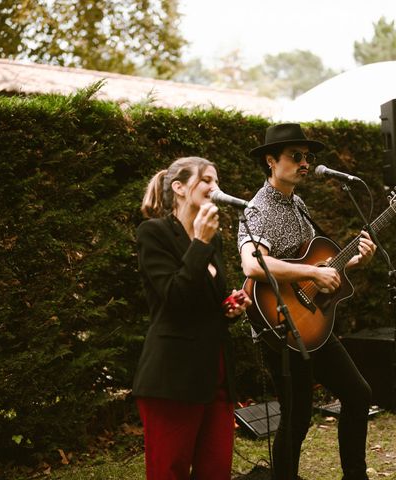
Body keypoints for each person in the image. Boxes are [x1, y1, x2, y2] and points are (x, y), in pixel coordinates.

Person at [237, 124, 376, 480]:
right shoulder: (258, 209)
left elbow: (315, 263)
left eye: (308, 157)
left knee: (358, 393)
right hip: (279, 325)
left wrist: (353, 261)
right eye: (295, 156)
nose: (304, 163)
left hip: (312, 322)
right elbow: (253, 264)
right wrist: (312, 276)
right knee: (297, 416)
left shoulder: (298, 204)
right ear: (271, 161)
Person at [133, 156, 251, 480]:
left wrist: (230, 306)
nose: (216, 188)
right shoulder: (153, 234)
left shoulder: (215, 239)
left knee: (215, 470)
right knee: (168, 471)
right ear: (179, 187)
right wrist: (198, 243)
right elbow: (174, 299)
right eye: (207, 180)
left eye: (217, 181)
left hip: (216, 374)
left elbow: (204, 300)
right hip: (173, 376)